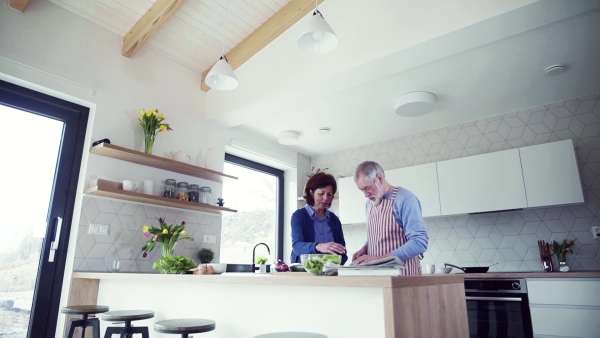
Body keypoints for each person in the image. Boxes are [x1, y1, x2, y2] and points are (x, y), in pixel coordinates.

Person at [351, 161, 428, 275]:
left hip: (404, 278)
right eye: (362, 190)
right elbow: (379, 235)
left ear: (380, 178)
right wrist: (365, 248)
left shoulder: (405, 199)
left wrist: (378, 260)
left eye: (367, 188)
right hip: (378, 278)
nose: (366, 194)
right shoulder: (369, 204)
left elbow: (419, 242)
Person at [290, 172, 348, 265]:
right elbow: (297, 247)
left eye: (329, 194)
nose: (325, 198)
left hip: (329, 273)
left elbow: (343, 253)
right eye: (321, 193)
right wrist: (319, 246)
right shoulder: (299, 216)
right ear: (311, 192)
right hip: (303, 274)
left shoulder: (334, 220)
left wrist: (335, 263)